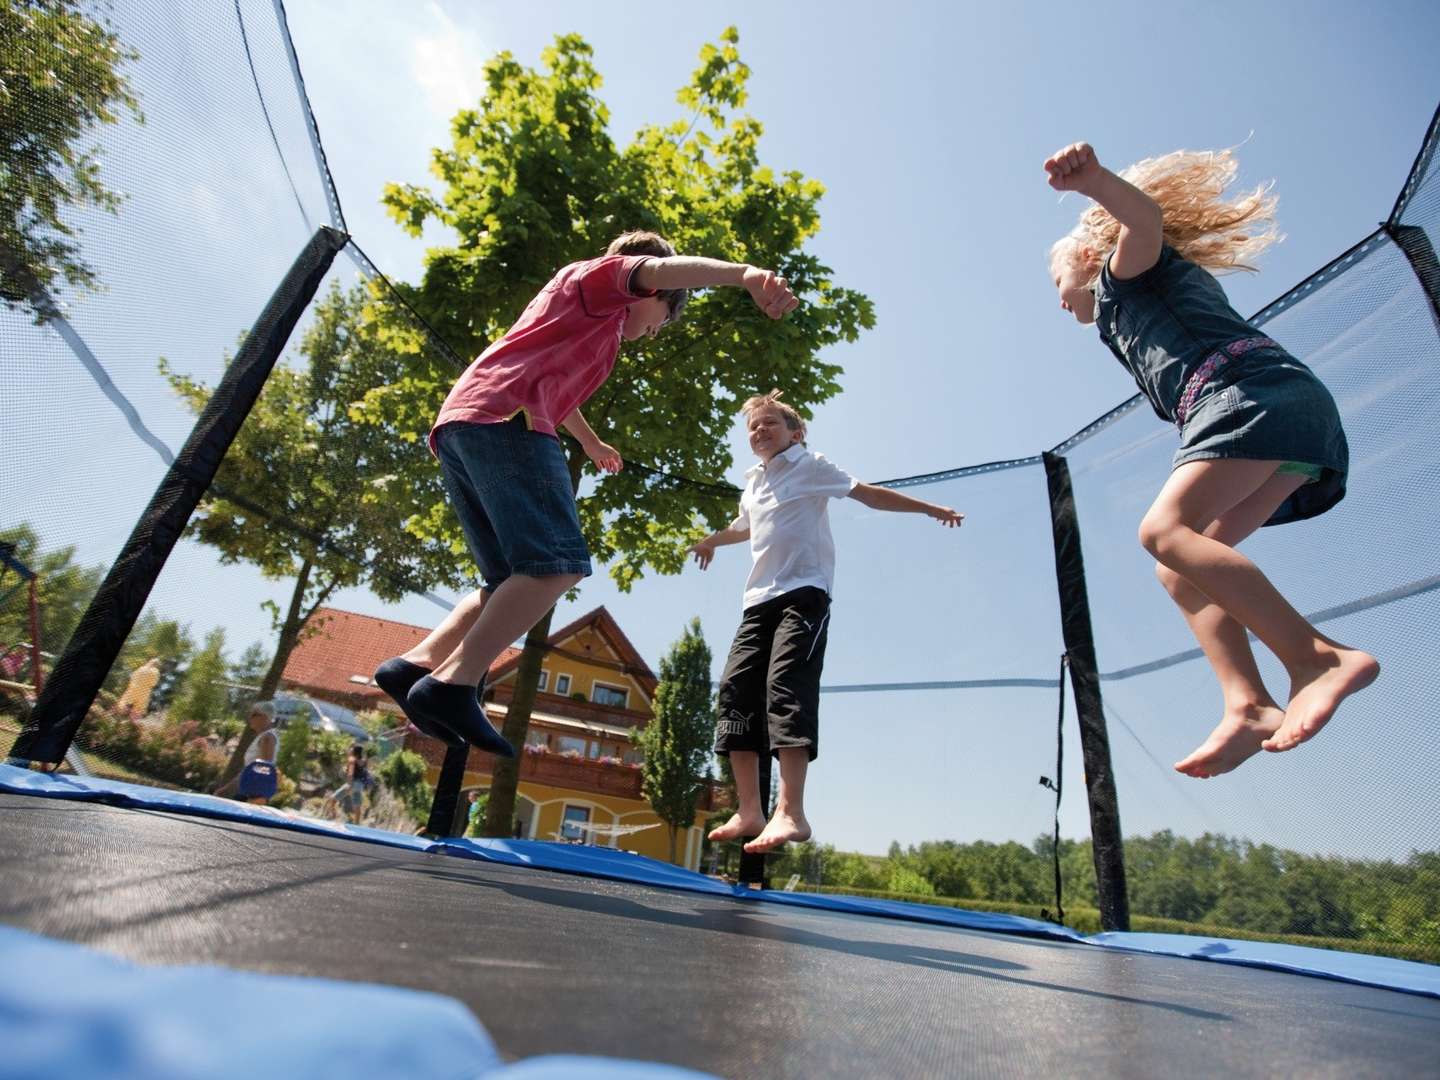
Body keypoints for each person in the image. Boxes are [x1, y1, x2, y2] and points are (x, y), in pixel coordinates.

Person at [373, 231, 798, 752]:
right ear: (651, 296)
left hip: (469, 424)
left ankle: (414, 664)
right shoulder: (600, 281)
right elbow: (657, 272)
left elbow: (555, 390)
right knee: (557, 563)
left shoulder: (588, 326)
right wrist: (744, 275)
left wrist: (592, 441)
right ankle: (450, 683)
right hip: (508, 422)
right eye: (662, 322)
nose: (652, 335)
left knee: (508, 579)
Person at [1043, 141, 1379, 779]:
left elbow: (1142, 220)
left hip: (1251, 396)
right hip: (1284, 418)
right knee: (1179, 568)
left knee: (1162, 532)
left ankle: (1319, 658)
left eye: (1058, 282)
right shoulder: (1125, 313)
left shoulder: (1127, 273)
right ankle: (1248, 704)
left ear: (1087, 258)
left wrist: (1093, 184)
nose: (1059, 300)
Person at [689, 392, 963, 853]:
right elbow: (745, 528)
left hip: (804, 594)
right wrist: (712, 541)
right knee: (735, 690)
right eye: (753, 427)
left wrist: (929, 508)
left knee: (786, 687)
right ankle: (750, 809)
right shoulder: (754, 481)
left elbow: (869, 494)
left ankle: (791, 813)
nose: (759, 431)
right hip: (757, 601)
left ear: (796, 433)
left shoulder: (810, 465)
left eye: (769, 423)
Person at [215, 706, 279, 805]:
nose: (250, 718)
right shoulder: (263, 737)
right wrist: (227, 788)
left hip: (252, 794)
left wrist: (255, 798)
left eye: (253, 715)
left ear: (265, 717)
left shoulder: (267, 738)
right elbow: (250, 769)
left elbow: (263, 769)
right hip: (249, 791)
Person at [328, 744, 371, 824]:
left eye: (351, 749)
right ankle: (356, 824)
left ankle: (333, 818)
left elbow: (350, 774)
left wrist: (349, 785)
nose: (350, 750)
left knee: (333, 799)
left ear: (354, 752)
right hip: (360, 786)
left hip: (352, 784)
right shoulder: (363, 761)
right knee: (357, 806)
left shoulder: (352, 759)